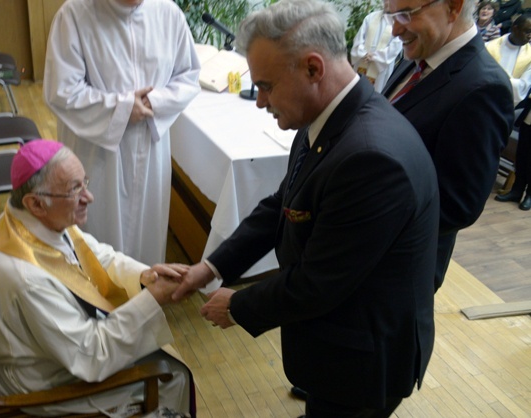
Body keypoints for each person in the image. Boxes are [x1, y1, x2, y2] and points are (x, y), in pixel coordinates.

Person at [172, 1, 441, 416]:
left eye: (266, 85)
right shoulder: (326, 117)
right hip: (338, 341)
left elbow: (320, 282)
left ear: (313, 69)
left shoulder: (371, 157)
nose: (260, 101)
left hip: (364, 360)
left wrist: (238, 305)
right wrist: (211, 267)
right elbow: (283, 203)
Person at [0, 140, 193, 417]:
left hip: (49, 350)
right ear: (36, 203)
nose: (89, 197)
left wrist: (143, 277)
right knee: (172, 376)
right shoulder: (27, 278)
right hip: (43, 384)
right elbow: (91, 355)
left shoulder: (27, 220)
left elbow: (96, 255)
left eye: (83, 182)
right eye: (75, 189)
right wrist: (152, 299)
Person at [43, 0, 201, 266]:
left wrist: (156, 101)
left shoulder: (168, 13)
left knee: (147, 235)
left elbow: (188, 75)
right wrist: (123, 108)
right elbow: (61, 91)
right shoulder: (75, 14)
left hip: (151, 148)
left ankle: (144, 293)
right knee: (99, 232)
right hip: (97, 152)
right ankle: (97, 301)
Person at [382, 0, 514, 291]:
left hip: (397, 271)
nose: (394, 29)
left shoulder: (484, 87)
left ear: (453, 7)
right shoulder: (418, 53)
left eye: (405, 15)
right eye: (389, 15)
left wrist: (360, 209)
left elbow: (458, 205)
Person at [350, 1, 403, 92]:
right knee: (356, 90)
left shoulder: (400, 21)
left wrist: (375, 56)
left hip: (380, 67)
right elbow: (358, 40)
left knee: (376, 92)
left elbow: (396, 46)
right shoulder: (370, 17)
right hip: (362, 60)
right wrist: (364, 53)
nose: (387, 3)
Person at [486, 14, 531, 105]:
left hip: (503, 105)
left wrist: (498, 76)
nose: (530, 36)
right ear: (515, 28)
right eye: (527, 32)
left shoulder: (529, 56)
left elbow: (522, 88)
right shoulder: (489, 47)